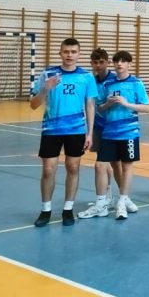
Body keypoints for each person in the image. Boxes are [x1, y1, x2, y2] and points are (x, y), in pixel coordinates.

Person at [31, 38, 97, 228]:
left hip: (76, 130)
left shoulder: (86, 77)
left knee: (73, 168)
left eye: (73, 52)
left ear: (79, 54)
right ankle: (45, 210)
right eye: (66, 51)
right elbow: (33, 104)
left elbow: (90, 105)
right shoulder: (48, 74)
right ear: (60, 53)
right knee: (48, 169)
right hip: (51, 130)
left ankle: (68, 209)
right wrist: (46, 89)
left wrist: (90, 133)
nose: (69, 55)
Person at [96, 51, 149, 220]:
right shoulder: (108, 84)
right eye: (117, 61)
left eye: (123, 61)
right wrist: (108, 103)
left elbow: (147, 107)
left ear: (129, 64)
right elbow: (100, 109)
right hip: (109, 132)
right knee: (100, 165)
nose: (119, 64)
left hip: (129, 132)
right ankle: (103, 202)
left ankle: (122, 201)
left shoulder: (136, 83)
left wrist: (127, 104)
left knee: (127, 166)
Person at [78, 48, 120, 219]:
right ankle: (107, 196)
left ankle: (123, 197)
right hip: (97, 126)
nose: (98, 65)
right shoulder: (91, 80)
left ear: (107, 62)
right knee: (104, 162)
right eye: (95, 62)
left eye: (101, 62)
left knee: (115, 163)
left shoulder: (115, 79)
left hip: (113, 127)